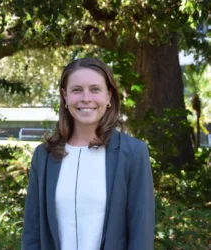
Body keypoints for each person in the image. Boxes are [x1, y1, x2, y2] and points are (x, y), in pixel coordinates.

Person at [22, 58, 155, 250]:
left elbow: (141, 233)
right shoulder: (44, 155)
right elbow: (32, 232)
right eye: (76, 90)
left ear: (109, 96)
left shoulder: (133, 152)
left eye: (95, 89)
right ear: (64, 96)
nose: (86, 98)